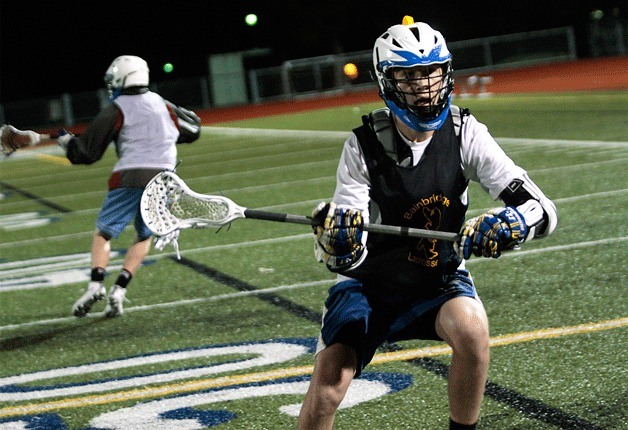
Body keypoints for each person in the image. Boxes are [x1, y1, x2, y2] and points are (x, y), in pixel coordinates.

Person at [298, 16, 557, 429]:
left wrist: (511, 224)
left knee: (472, 331)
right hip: (371, 284)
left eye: (432, 72)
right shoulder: (363, 146)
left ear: (447, 72)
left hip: (437, 277)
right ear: (387, 82)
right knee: (329, 385)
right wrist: (341, 243)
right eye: (410, 76)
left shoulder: (466, 132)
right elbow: (347, 255)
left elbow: (542, 209)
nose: (425, 85)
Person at [51, 55, 201, 318]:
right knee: (144, 235)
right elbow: (193, 129)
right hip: (164, 178)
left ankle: (96, 284)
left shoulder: (118, 108)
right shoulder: (162, 103)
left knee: (104, 233)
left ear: (122, 77)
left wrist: (66, 142)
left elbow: (86, 153)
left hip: (129, 176)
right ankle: (119, 291)